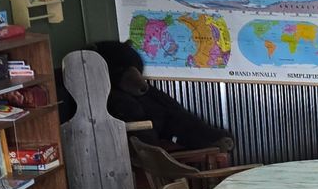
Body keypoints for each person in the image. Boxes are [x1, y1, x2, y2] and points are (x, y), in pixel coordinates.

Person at [91, 41, 235, 155]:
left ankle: (212, 137)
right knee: (176, 128)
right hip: (151, 141)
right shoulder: (108, 97)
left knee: (181, 119)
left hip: (167, 126)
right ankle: (208, 142)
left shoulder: (147, 91)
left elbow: (174, 110)